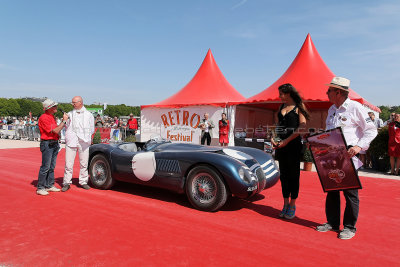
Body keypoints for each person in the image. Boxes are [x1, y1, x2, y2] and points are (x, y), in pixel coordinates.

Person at [316, 77, 377, 240]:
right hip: (332, 155)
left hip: (348, 156)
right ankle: (332, 223)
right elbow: (329, 132)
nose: (326, 93)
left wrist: (358, 146)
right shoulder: (331, 109)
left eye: (329, 90)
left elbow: (371, 130)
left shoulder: (355, 107)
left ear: (338, 92)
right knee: (332, 191)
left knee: (350, 194)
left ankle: (349, 227)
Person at [271, 83, 310, 220]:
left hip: (293, 146)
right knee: (284, 176)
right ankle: (285, 203)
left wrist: (286, 141)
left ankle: (292, 205)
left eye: (281, 93)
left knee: (294, 175)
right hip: (281, 146)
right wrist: (273, 137)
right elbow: (278, 126)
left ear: (288, 93)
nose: (280, 96)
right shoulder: (281, 107)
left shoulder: (299, 106)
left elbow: (302, 127)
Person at [62, 96, 95, 191]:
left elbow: (92, 128)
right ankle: (66, 182)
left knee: (84, 163)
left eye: (74, 102)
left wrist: (86, 136)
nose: (72, 104)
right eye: (72, 102)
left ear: (80, 102)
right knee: (68, 163)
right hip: (71, 140)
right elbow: (66, 125)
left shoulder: (89, 115)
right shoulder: (69, 114)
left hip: (84, 141)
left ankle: (83, 181)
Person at [36, 98, 69, 196]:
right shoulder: (44, 117)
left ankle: (49, 185)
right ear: (49, 108)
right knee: (45, 167)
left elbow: (55, 130)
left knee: (51, 166)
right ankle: (40, 187)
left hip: (53, 143)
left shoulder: (51, 116)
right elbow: (55, 130)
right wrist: (64, 121)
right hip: (47, 143)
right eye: (54, 106)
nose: (56, 107)